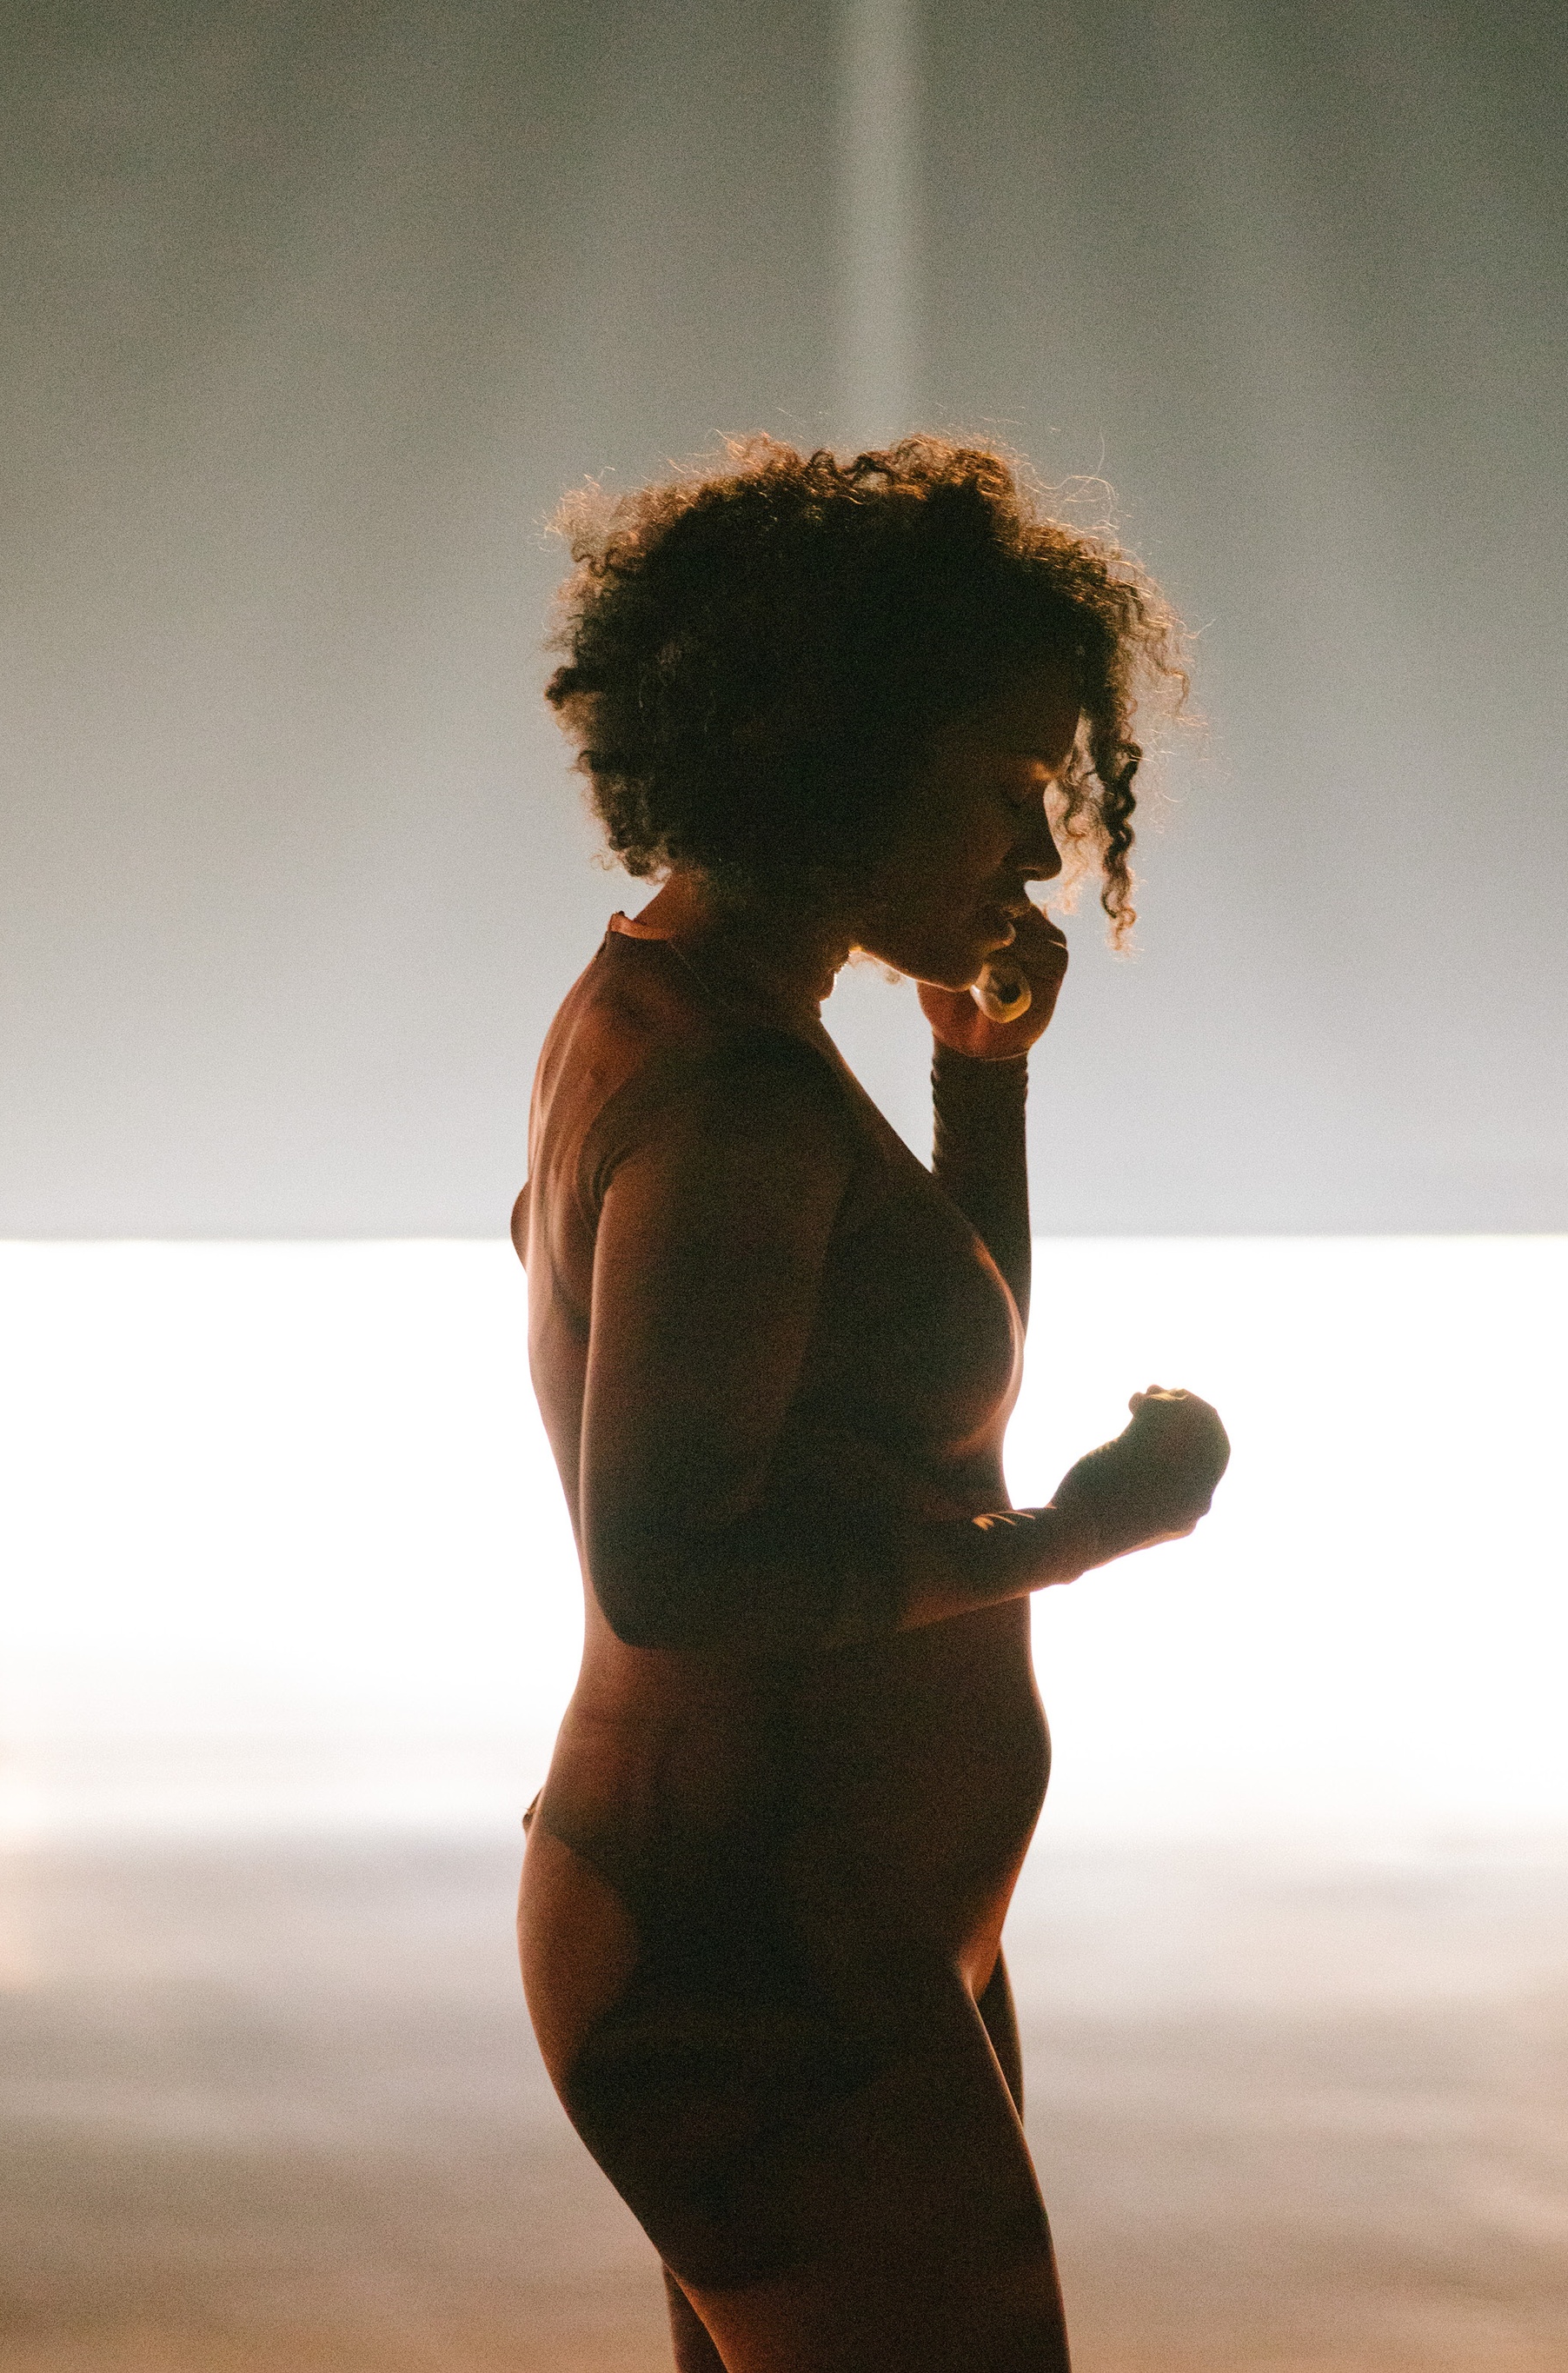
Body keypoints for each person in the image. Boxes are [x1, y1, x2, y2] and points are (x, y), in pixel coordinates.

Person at [511, 436, 1230, 2372]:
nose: (1033, 853)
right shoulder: (730, 1097)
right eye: (1004, 790)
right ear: (839, 760)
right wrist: (1083, 1537)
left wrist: (977, 1088)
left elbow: (917, 1394)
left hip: (824, 1922)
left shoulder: (693, 1012)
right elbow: (673, 1573)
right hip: (750, 1957)